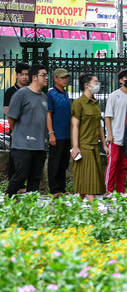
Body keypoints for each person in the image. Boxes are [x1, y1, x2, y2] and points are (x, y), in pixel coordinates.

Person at [5, 64, 49, 195]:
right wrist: (19, 133)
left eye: (47, 75)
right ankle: (7, 203)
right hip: (23, 145)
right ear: (34, 77)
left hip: (40, 146)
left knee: (35, 179)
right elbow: (11, 117)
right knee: (20, 175)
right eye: (44, 75)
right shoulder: (21, 94)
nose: (46, 78)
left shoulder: (44, 97)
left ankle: (31, 209)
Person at [71, 73, 108, 201]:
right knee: (88, 183)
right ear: (87, 85)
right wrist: (75, 147)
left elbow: (99, 126)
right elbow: (75, 125)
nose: (98, 84)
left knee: (84, 182)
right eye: (95, 82)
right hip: (83, 146)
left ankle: (76, 212)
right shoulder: (78, 103)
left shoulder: (95, 103)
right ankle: (95, 211)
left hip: (94, 146)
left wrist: (104, 145)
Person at [104, 68, 127, 194]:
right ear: (121, 80)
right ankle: (109, 191)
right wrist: (109, 134)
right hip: (115, 137)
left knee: (123, 167)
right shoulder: (114, 95)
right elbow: (107, 116)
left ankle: (120, 191)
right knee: (112, 164)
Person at [46, 68, 72, 197]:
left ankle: (62, 188)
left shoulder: (66, 93)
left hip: (67, 134)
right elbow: (48, 114)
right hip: (57, 134)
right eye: (62, 77)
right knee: (55, 163)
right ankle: (54, 189)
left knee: (63, 163)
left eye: (66, 77)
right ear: (55, 79)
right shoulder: (51, 94)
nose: (65, 79)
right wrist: (51, 133)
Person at [4, 61, 30, 190]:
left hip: (29, 131)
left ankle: (22, 184)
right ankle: (13, 184)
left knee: (26, 159)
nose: (25, 77)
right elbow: (6, 111)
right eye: (22, 74)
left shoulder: (30, 91)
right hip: (15, 130)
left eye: (27, 74)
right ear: (17, 75)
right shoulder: (10, 91)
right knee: (14, 158)